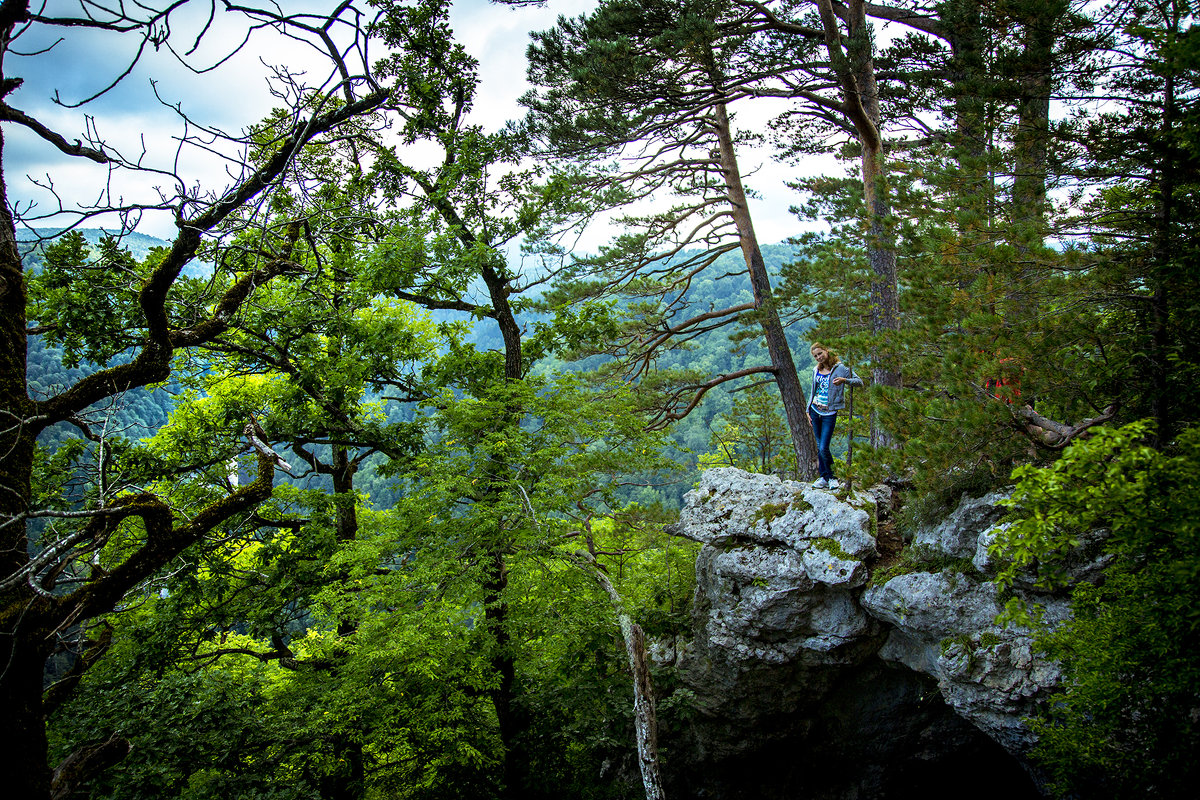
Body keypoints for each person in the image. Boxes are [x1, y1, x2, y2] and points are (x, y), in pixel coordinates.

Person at [808, 343, 863, 490]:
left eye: (820, 353)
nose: (819, 357)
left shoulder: (840, 368)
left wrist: (845, 381)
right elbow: (813, 391)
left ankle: (832, 477)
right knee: (819, 447)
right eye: (815, 356)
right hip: (815, 410)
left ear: (826, 351)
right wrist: (808, 410)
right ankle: (824, 477)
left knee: (824, 446)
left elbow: (859, 382)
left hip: (829, 413)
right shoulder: (816, 370)